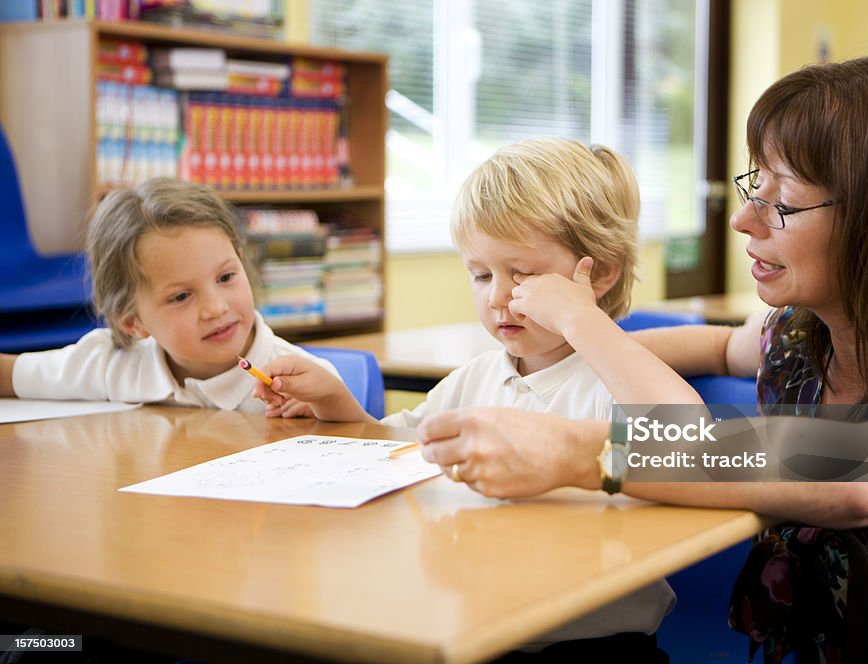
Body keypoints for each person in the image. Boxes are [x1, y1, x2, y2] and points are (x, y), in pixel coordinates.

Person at [414, 54, 868, 663]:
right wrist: (557, 368)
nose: (741, 220)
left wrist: (577, 450)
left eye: (780, 200)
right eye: (753, 189)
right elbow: (710, 343)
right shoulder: (793, 335)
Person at [254, 138, 676, 660]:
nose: (497, 296)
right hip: (484, 630)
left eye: (522, 274)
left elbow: (691, 445)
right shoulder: (476, 377)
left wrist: (580, 319)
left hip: (593, 644)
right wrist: (336, 403)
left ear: (602, 271)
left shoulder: (619, 379)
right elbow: (402, 448)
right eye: (480, 274)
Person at [0, 177, 337, 412]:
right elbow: (14, 375)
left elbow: (362, 450)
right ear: (133, 322)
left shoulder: (304, 384)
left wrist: (327, 409)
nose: (215, 308)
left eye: (226, 276)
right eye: (181, 297)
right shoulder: (110, 364)